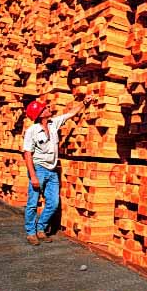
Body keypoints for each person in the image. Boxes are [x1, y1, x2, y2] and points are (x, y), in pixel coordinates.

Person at [23, 96, 95, 246]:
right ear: (40, 114)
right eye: (45, 108)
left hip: (52, 170)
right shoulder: (32, 131)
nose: (49, 108)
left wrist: (84, 103)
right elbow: (27, 154)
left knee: (53, 203)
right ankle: (31, 233)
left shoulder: (53, 123)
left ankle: (41, 228)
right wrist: (34, 176)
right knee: (32, 203)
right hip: (39, 169)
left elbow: (71, 114)